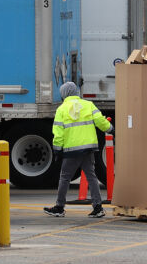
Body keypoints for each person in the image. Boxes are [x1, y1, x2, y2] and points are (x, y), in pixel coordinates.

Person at [44, 82, 113, 218]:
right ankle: (98, 207)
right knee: (91, 176)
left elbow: (58, 133)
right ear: (76, 92)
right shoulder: (88, 105)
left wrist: (57, 150)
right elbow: (100, 121)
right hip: (89, 148)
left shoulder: (62, 109)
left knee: (64, 178)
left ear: (64, 94)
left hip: (72, 150)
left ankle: (59, 207)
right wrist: (111, 129)